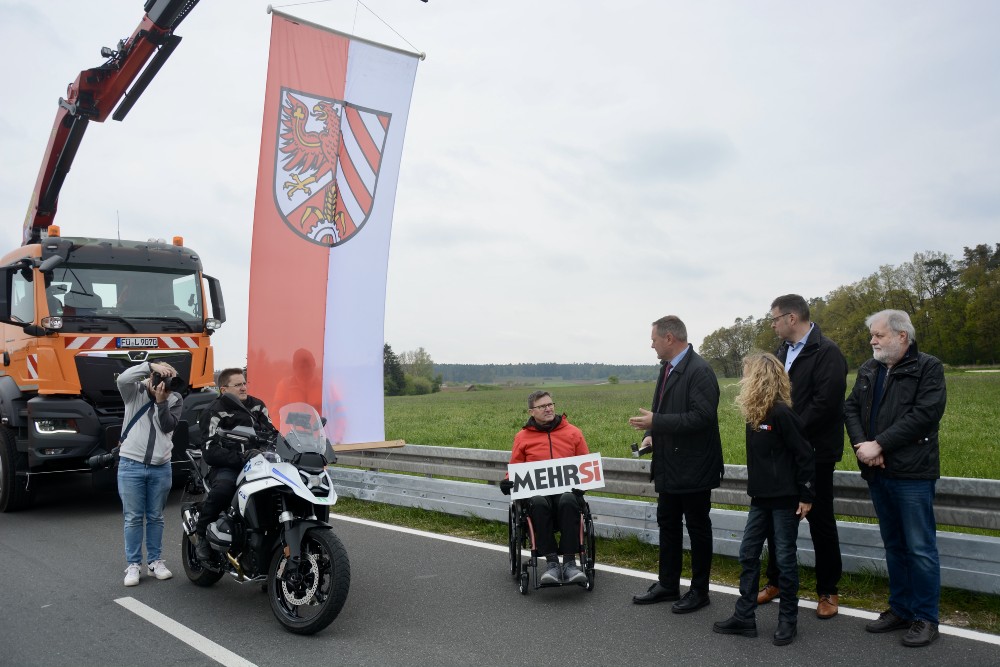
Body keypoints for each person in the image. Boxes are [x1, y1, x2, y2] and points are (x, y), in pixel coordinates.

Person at [844, 309, 946, 648]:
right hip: (878, 471)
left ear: (902, 336)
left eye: (879, 335)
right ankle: (901, 609)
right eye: (872, 335)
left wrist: (880, 444)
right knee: (894, 545)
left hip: (912, 474)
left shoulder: (927, 367)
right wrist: (863, 445)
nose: (872, 341)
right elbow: (850, 408)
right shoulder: (869, 369)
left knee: (919, 548)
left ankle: (926, 617)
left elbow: (925, 414)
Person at [713, 353, 814, 647]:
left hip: (785, 500)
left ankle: (788, 621)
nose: (743, 379)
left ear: (759, 377)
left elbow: (805, 455)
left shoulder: (782, 414)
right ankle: (744, 617)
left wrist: (806, 495)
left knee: (784, 560)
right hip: (760, 499)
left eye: (747, 373)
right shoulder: (755, 415)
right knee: (748, 554)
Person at [757, 294, 848, 619]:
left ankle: (828, 590)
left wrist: (790, 432)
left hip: (815, 453)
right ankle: (776, 582)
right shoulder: (781, 352)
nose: (773, 324)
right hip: (784, 453)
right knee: (779, 520)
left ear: (791, 318)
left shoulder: (827, 352)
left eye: (775, 318)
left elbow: (826, 403)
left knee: (821, 523)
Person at [629, 315, 724, 613]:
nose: (652, 345)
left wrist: (657, 422)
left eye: (654, 339)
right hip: (669, 464)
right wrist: (650, 435)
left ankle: (700, 591)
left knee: (697, 529)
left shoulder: (700, 371)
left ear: (669, 338)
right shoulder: (667, 368)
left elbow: (702, 417)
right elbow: (658, 409)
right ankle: (668, 584)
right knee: (668, 525)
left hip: (695, 467)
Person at [501, 391, 590, 584]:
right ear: (531, 411)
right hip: (537, 494)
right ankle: (551, 563)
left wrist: (583, 484)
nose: (548, 408)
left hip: (565, 492)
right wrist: (508, 481)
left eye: (550, 404)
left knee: (568, 500)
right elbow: (516, 466)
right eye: (542, 406)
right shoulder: (522, 437)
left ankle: (569, 563)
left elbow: (585, 465)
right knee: (538, 503)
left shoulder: (573, 432)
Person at [194, 368, 274, 561]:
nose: (243, 387)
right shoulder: (214, 411)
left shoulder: (257, 406)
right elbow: (210, 450)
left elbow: (272, 434)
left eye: (244, 383)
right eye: (238, 385)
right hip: (227, 465)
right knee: (224, 490)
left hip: (259, 463)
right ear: (224, 389)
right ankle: (201, 534)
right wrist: (241, 457)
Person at [116, 360, 183, 586]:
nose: (166, 383)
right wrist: (150, 366)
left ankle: (155, 562)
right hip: (131, 464)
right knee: (133, 517)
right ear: (152, 376)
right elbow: (122, 379)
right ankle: (133, 565)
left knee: (156, 516)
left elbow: (167, 426)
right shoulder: (134, 392)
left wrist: (162, 402)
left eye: (170, 378)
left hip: (161, 466)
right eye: (162, 376)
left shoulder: (175, 398)